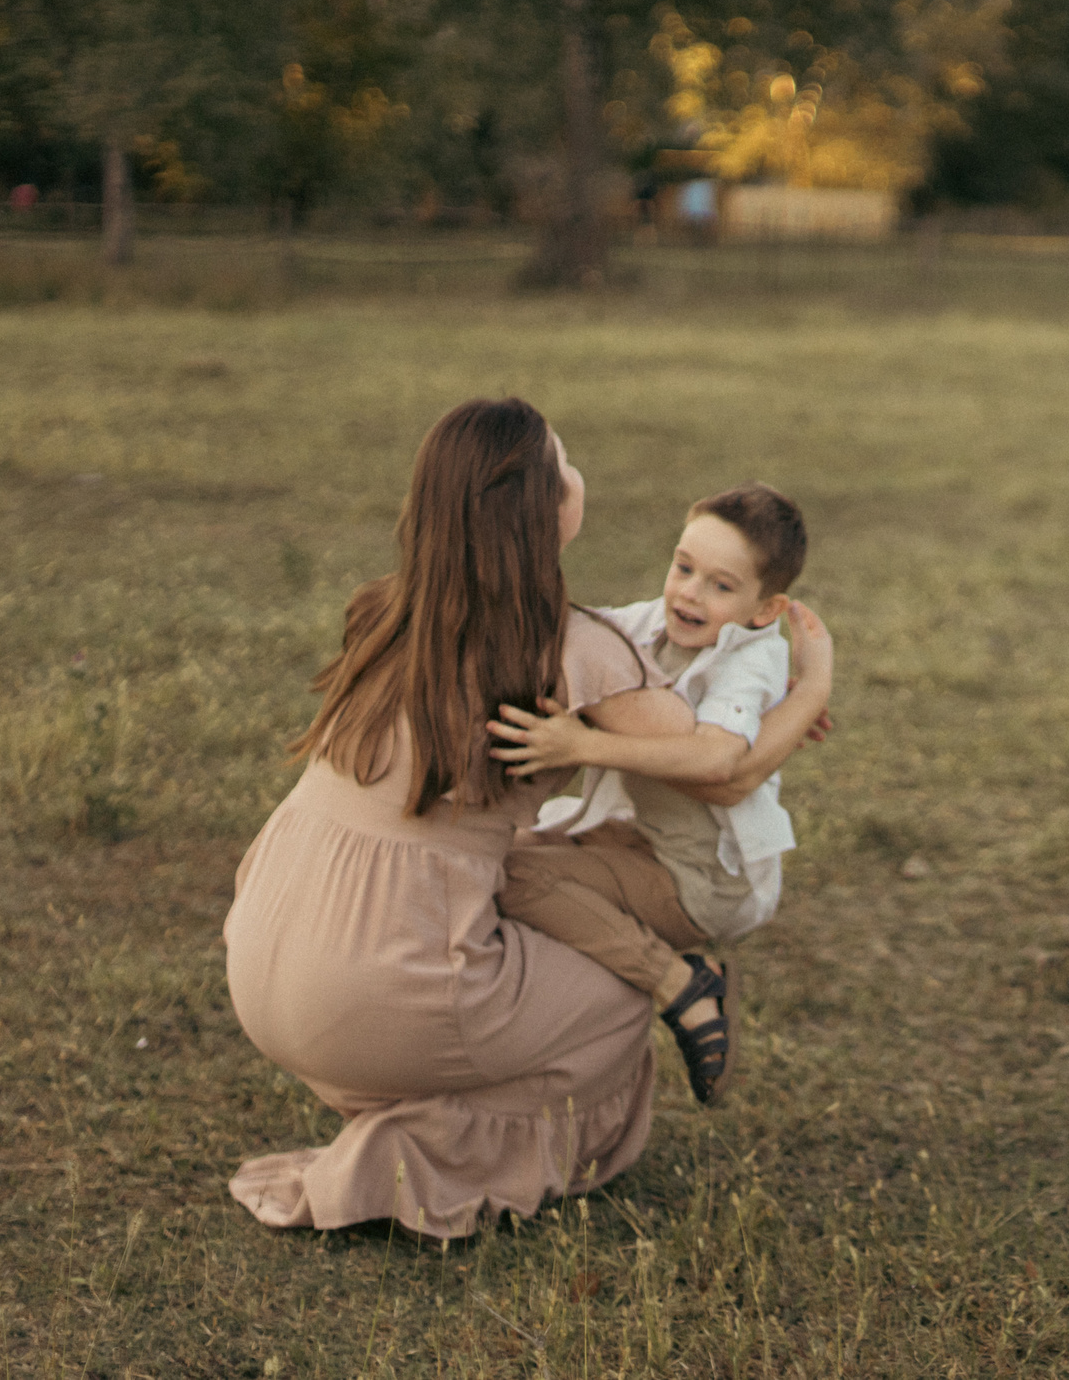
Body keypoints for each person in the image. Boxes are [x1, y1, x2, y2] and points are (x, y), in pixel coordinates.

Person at [222, 399, 824, 1239]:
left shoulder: (384, 613)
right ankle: (414, 1154)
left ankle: (417, 1088)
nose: (579, 476)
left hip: (259, 953)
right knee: (620, 992)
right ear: (547, 511)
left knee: (523, 891)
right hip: (372, 990)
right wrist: (813, 686)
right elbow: (720, 771)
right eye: (565, 465)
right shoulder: (569, 645)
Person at [489, 483, 831, 1107]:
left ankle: (680, 985)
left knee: (511, 877)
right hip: (641, 838)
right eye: (683, 567)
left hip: (705, 880)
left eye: (720, 586)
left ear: (764, 609)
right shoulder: (651, 621)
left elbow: (718, 757)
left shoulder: (751, 657)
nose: (689, 593)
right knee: (499, 851)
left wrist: (581, 746)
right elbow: (583, 635)